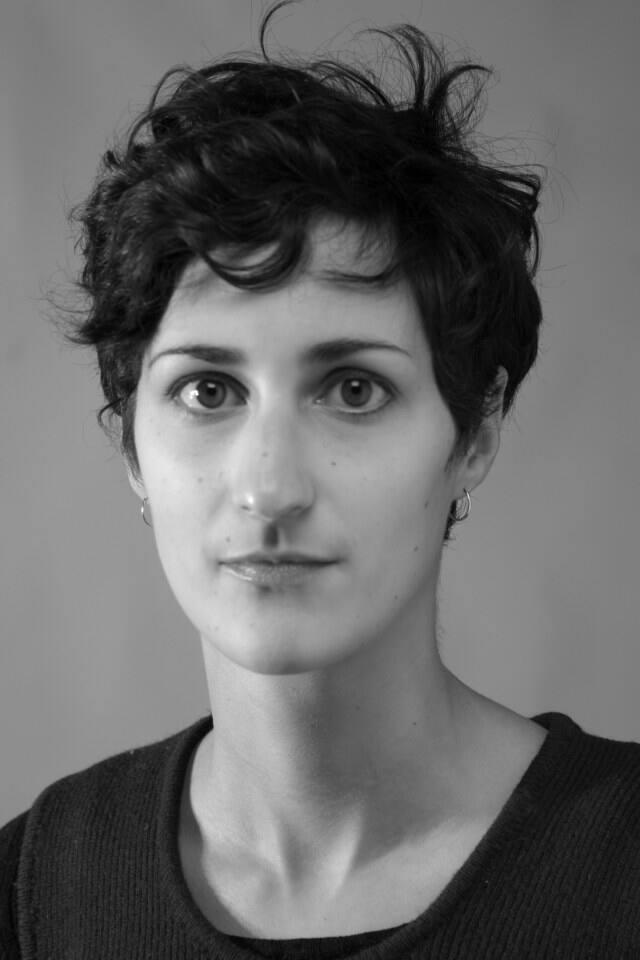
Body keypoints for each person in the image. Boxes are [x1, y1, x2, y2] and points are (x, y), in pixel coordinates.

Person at [2, 4, 639, 957]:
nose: (269, 487)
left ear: (476, 433)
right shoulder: (32, 891)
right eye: (207, 390)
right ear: (131, 449)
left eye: (353, 389)